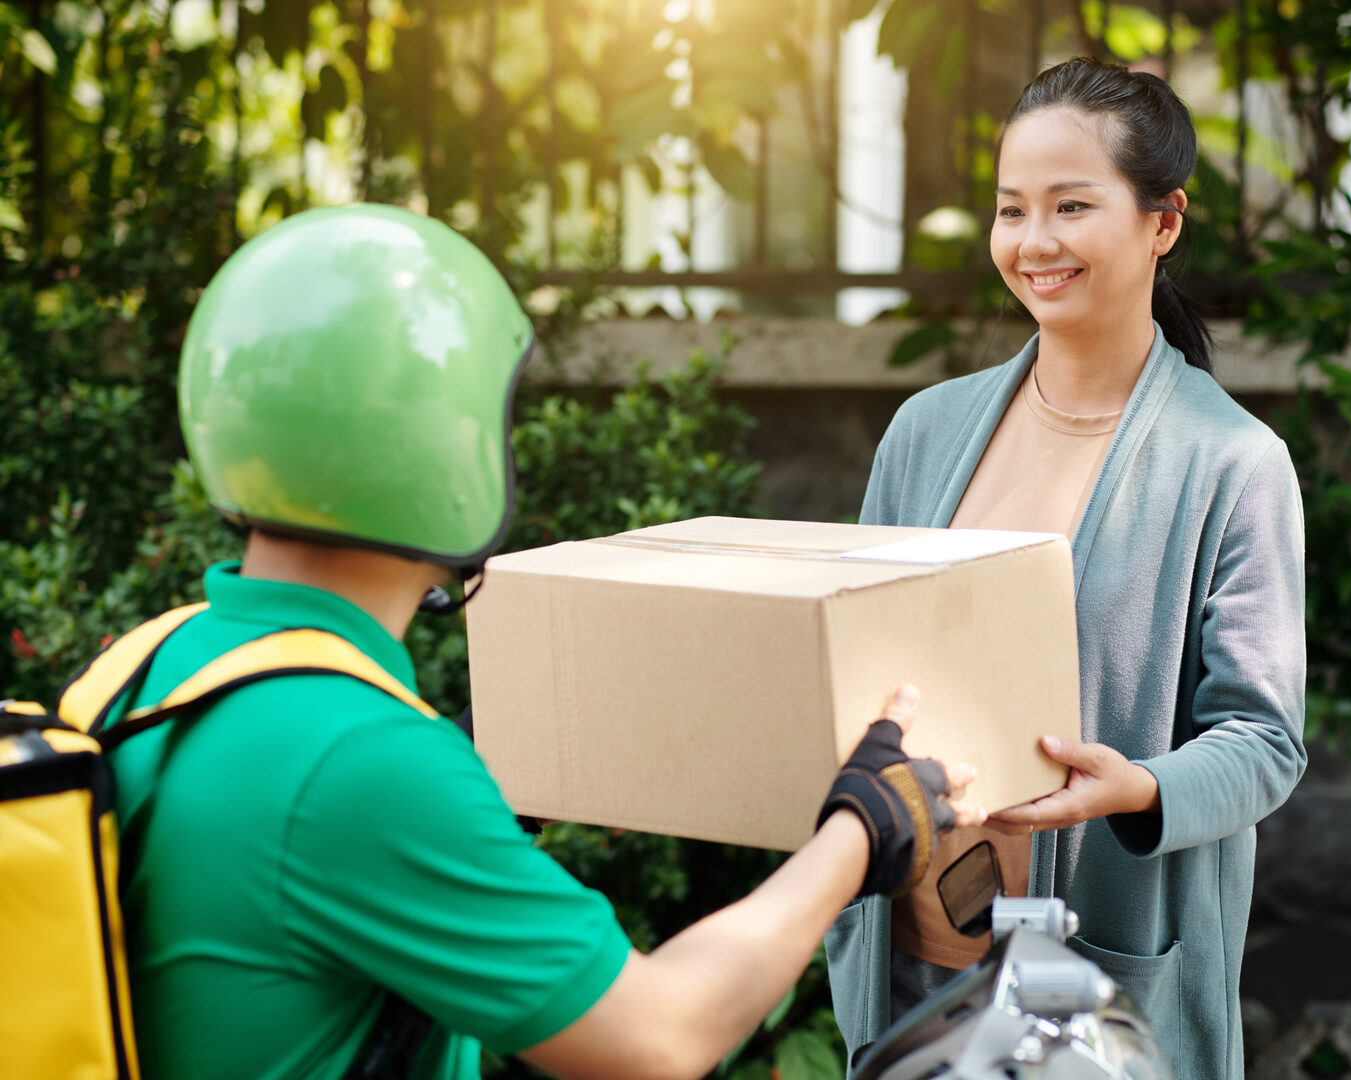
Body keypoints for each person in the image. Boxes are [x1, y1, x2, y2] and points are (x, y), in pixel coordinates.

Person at [107, 203, 985, 1080]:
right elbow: (659, 1038)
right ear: (440, 453)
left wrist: (483, 773)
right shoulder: (363, 764)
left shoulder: (153, 664)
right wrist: (860, 831)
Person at [825, 57, 1307, 1080]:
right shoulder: (924, 432)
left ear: (1163, 223)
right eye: (1011, 210)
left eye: (1071, 206)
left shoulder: (1232, 464)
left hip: (1098, 990)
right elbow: (849, 665)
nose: (1033, 242)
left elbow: (1263, 743)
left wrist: (1136, 787)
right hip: (909, 961)